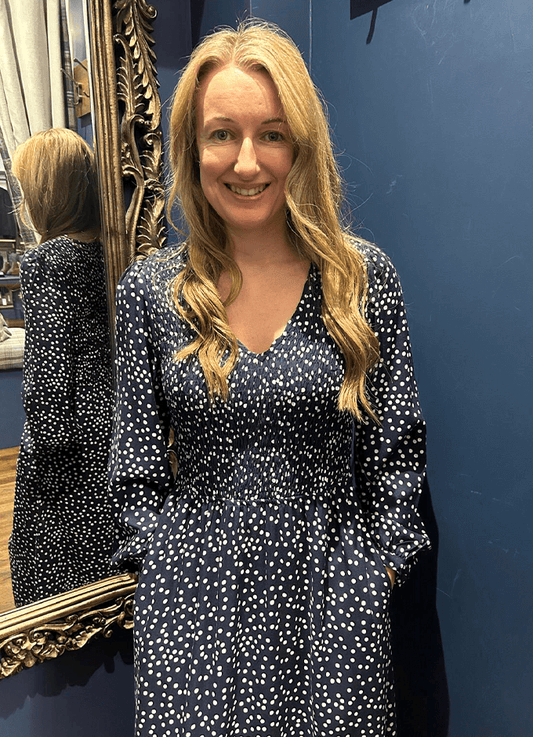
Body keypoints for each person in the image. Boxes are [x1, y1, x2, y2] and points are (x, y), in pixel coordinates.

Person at [110, 20, 431, 737]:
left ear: (301, 145)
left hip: (333, 619)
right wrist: (167, 571)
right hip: (193, 628)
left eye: (272, 135)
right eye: (221, 134)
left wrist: (372, 575)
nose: (247, 161)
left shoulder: (360, 281)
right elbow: (134, 470)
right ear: (192, 149)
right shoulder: (151, 293)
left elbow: (397, 455)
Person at [8, 128, 116, 607]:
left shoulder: (48, 261)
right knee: (101, 554)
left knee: (53, 569)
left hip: (66, 440)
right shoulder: (109, 252)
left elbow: (48, 375)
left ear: (45, 193)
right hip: (108, 423)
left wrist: (44, 461)